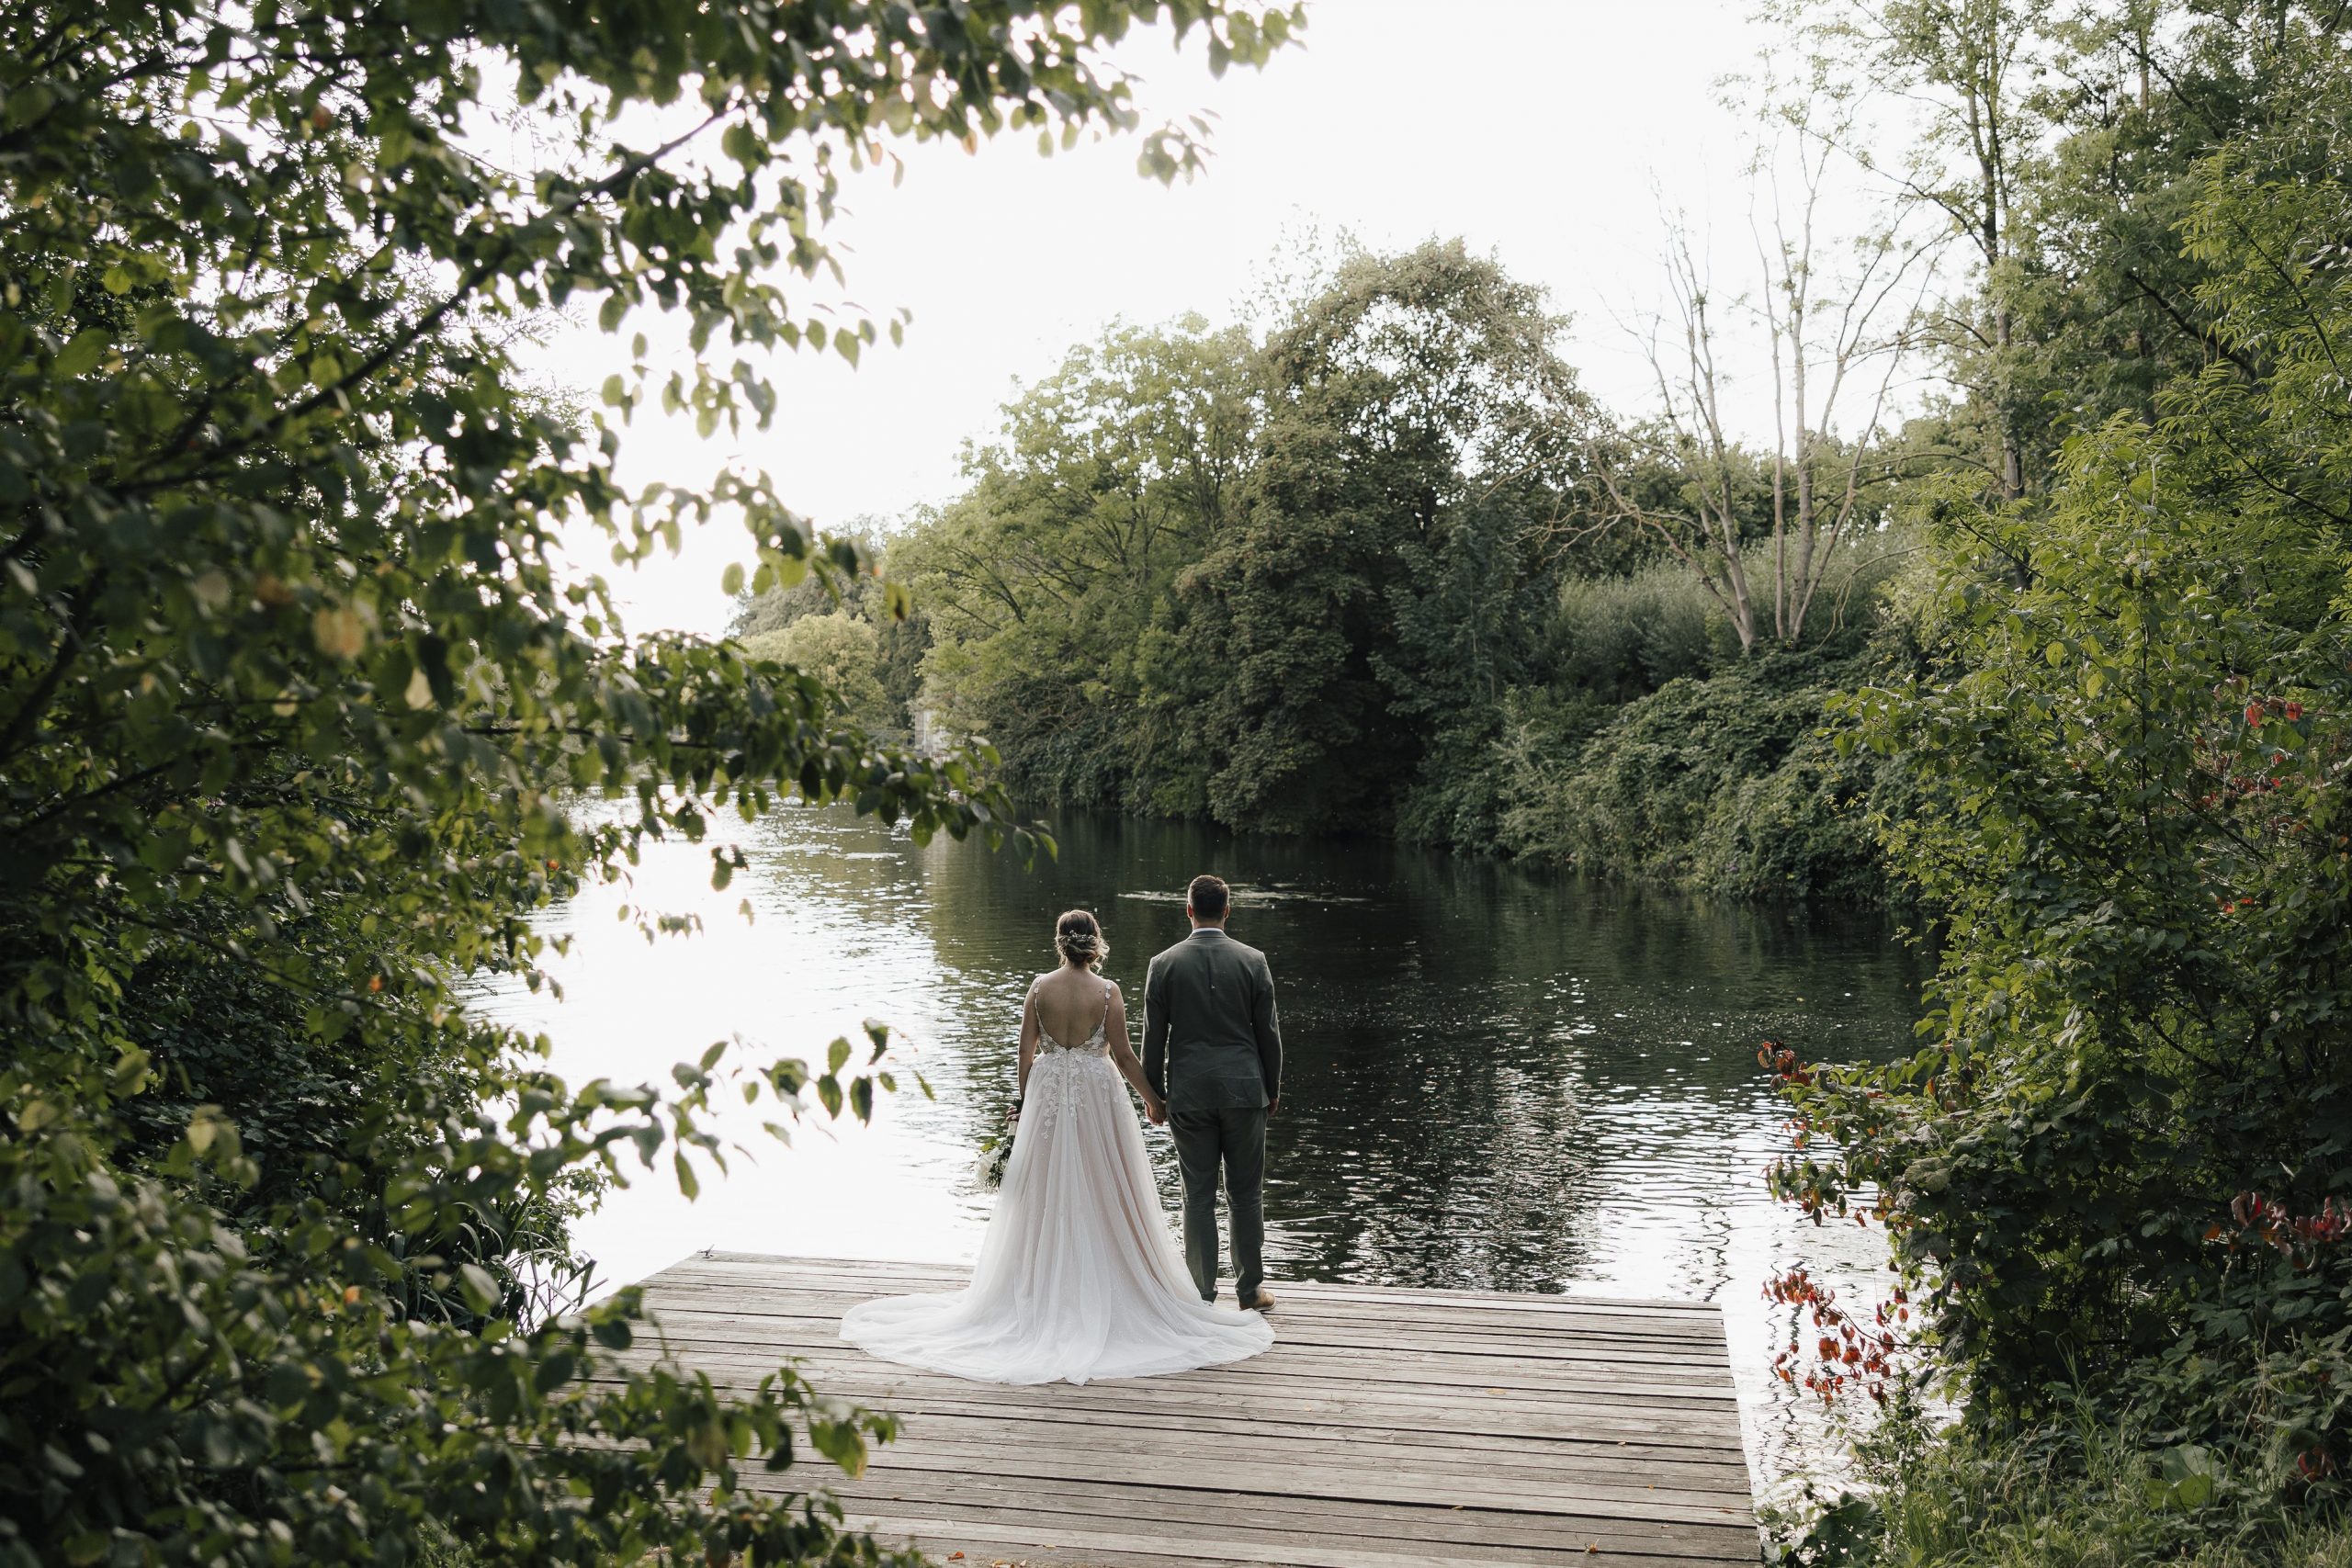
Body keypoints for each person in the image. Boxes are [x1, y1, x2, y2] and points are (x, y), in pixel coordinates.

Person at [839, 908, 1273, 1383]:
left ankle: (1039, 1285)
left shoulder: (1039, 988)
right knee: (1106, 1186)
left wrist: (1025, 1102)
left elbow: (1026, 1049)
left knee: (1043, 1193)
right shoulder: (1108, 993)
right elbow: (1124, 1054)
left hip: (1048, 1096)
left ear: (1060, 943)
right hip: (1097, 1100)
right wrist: (1153, 1097)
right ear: (1096, 942)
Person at [1143, 874, 1282, 1311]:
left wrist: (1154, 1096)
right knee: (1246, 1194)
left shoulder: (1163, 964)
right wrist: (1271, 1088)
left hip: (1189, 1093)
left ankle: (1201, 1295)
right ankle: (1249, 1291)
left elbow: (1153, 1040)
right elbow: (1269, 1035)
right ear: (1227, 910)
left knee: (1197, 1196)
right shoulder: (1253, 961)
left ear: (1188, 910)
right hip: (1245, 1091)